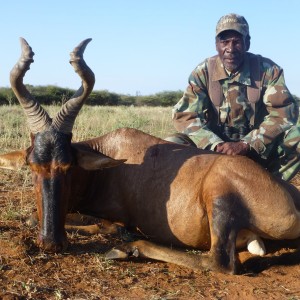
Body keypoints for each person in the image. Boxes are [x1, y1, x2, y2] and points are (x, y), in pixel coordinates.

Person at [166, 13, 300, 181]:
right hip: (213, 149)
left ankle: (270, 188)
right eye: (224, 42)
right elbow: (185, 116)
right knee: (170, 145)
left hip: (256, 148)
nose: (230, 49)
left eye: (236, 41)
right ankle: (193, 190)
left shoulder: (268, 70)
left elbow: (284, 114)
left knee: (297, 137)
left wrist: (247, 144)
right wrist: (215, 144)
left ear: (247, 43)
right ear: (216, 45)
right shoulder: (203, 72)